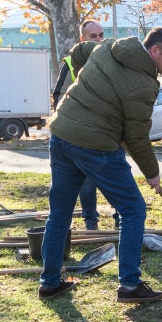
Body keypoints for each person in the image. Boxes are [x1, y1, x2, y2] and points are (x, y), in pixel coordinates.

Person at [38, 27, 162, 303]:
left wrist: (89, 90)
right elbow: (136, 135)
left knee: (59, 214)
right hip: (95, 146)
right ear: (155, 51)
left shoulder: (108, 47)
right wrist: (152, 172)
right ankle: (130, 285)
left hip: (62, 134)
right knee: (133, 209)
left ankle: (49, 283)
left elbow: (78, 52)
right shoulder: (144, 84)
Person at [52, 20, 106, 230]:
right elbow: (58, 96)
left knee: (119, 177)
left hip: (107, 132)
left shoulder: (111, 60)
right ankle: (91, 222)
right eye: (93, 36)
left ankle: (121, 222)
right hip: (81, 133)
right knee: (86, 181)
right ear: (82, 40)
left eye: (101, 34)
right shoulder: (70, 62)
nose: (99, 39)